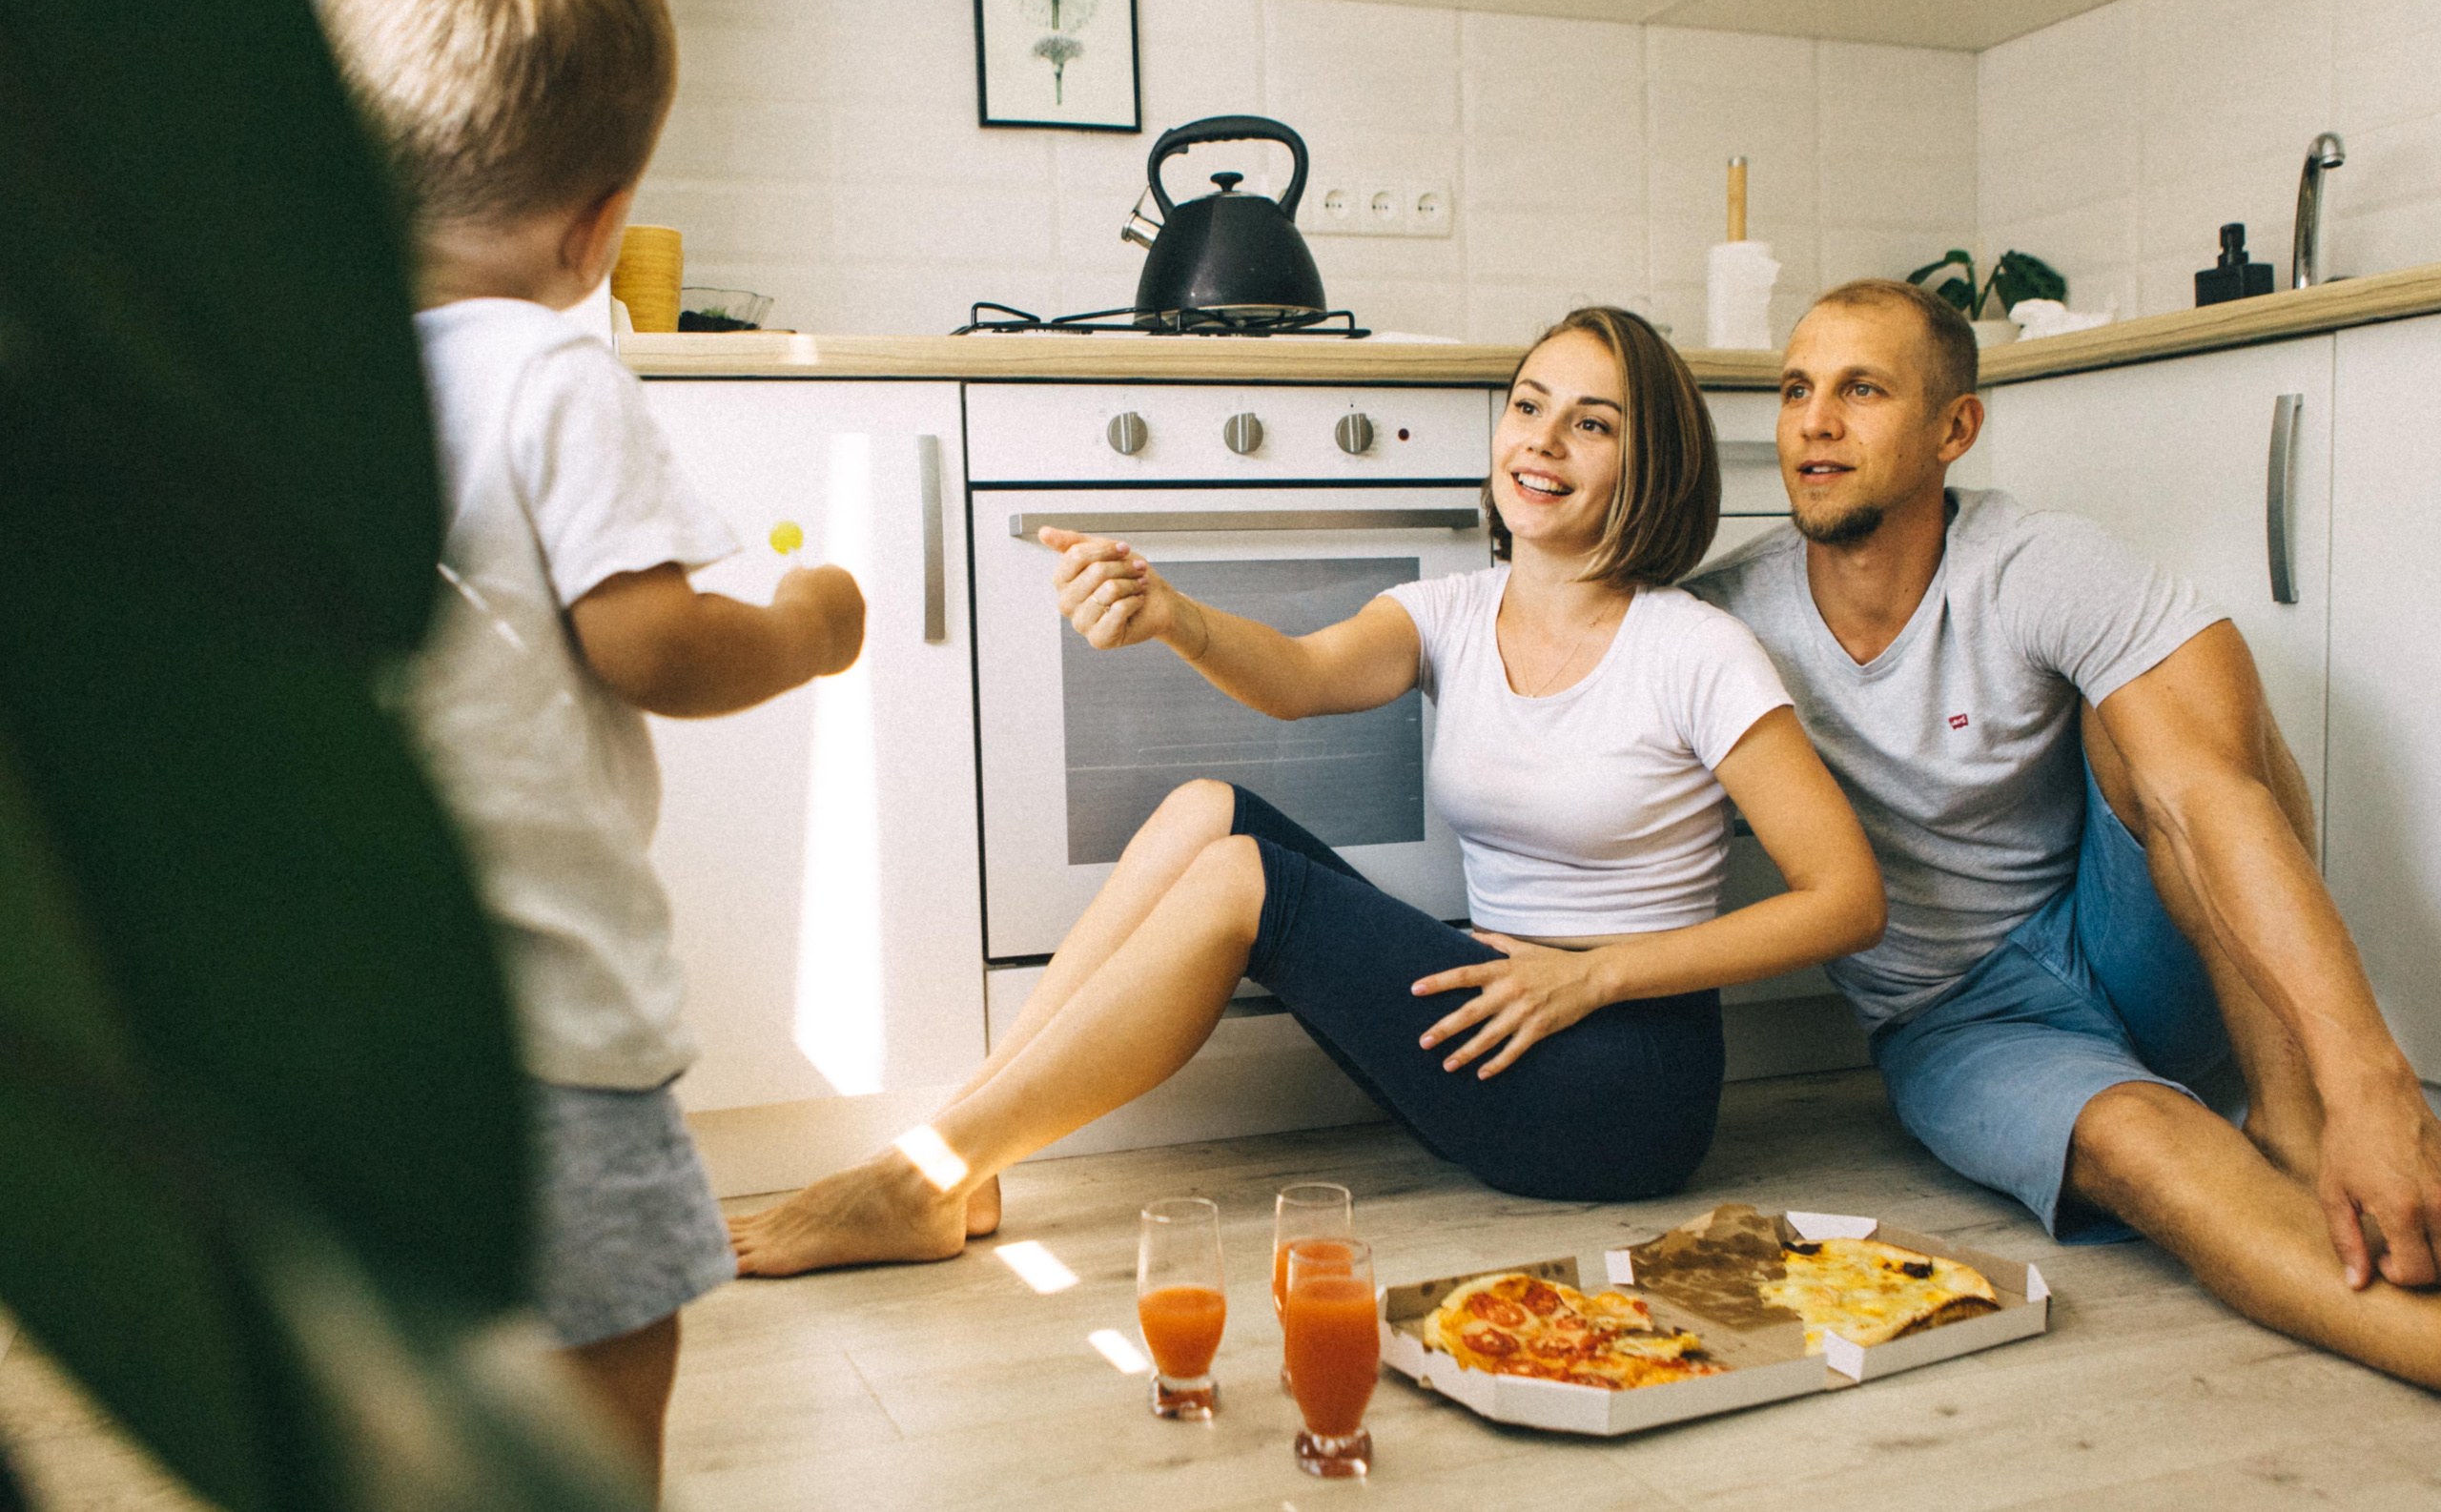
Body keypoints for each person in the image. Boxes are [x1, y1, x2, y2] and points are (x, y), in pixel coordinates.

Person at [726, 307, 1885, 1277]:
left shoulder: (1696, 651)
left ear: (1654, 464)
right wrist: (1170, 611)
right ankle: (959, 1166)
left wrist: (1594, 975)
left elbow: (1844, 899)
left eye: (1594, 424)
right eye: (1530, 405)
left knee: (1247, 881)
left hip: (1620, 1087)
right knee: (1206, 812)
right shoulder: (1455, 614)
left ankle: (920, 1176)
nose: (1543, 441)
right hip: (1490, 1019)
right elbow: (1297, 678)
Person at [325, 0, 867, 1484]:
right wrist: (810, 625)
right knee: (612, 1347)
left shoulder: (319, 379)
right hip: (548, 1018)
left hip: (357, 1020)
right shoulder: (555, 369)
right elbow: (655, 646)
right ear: (598, 218)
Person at [1687, 278, 2441, 1390]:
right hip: (1958, 1021)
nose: (1815, 422)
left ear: (1956, 427)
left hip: (2130, 938)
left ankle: (2296, 1117)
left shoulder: (2039, 562)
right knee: (2145, 1151)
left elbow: (2214, 796)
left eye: (1861, 390)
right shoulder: (1721, 624)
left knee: (2164, 716)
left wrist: (2367, 1088)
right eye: (1798, 390)